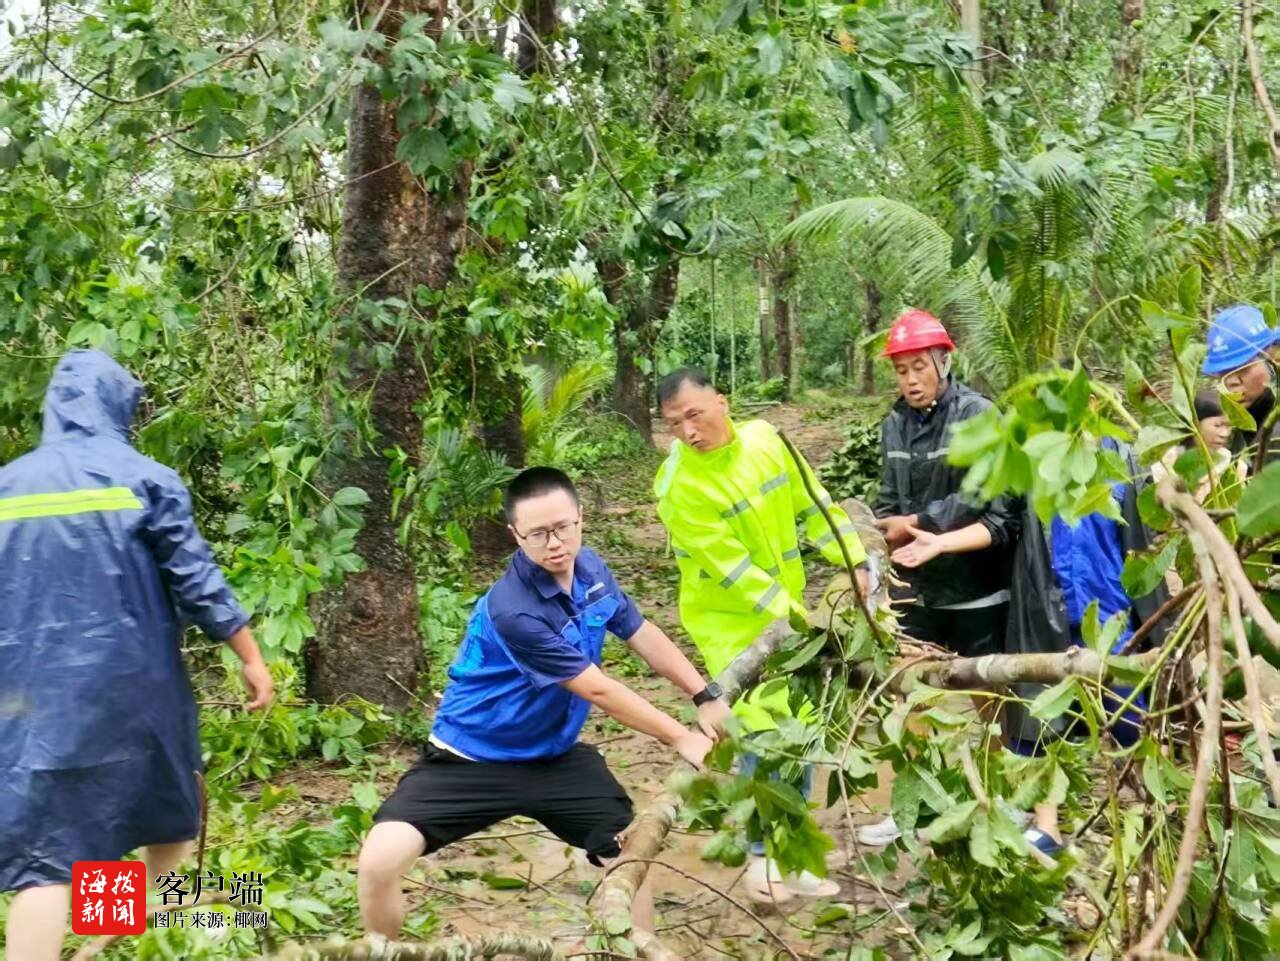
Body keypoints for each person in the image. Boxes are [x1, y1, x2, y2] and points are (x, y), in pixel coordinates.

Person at [357, 467, 727, 939]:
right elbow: (597, 689)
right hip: (469, 760)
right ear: (515, 535)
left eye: (562, 527)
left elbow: (641, 633)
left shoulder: (591, 570)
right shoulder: (514, 609)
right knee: (377, 863)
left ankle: (641, 949)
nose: (554, 543)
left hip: (555, 760)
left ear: (580, 519)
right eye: (538, 534)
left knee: (629, 856)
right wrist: (680, 736)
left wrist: (704, 695)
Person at [0, 350, 273, 961]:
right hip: (133, 687)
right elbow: (196, 580)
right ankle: (114, 940)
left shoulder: (7, 485)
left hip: (26, 696)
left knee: (43, 858)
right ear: (118, 404)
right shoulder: (144, 477)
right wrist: (250, 656)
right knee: (141, 817)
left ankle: (102, 941)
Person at [653, 367, 869, 902]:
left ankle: (792, 851)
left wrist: (856, 560)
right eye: (673, 424)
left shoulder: (768, 440)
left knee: (798, 728)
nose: (687, 432)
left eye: (694, 415)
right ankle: (760, 857)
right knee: (761, 730)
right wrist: (804, 620)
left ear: (722, 403)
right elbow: (735, 571)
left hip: (785, 613)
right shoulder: (679, 487)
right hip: (730, 621)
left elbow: (815, 505)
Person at [863, 310, 1017, 847]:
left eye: (919, 367)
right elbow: (887, 501)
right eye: (901, 369)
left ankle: (999, 801)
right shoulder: (893, 424)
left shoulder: (979, 416)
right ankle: (913, 807)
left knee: (987, 696)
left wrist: (922, 524)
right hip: (914, 585)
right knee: (907, 696)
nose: (909, 379)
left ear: (944, 362)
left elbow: (987, 500)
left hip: (974, 585)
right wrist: (884, 530)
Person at [1202, 303, 1280, 472]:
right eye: (1223, 373)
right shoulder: (1237, 427)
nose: (1231, 382)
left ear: (1273, 357)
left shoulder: (1275, 437)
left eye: (1242, 369)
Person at [1151, 389, 1246, 503]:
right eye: (1217, 425)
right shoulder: (1169, 460)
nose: (1224, 434)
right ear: (1195, 423)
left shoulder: (1234, 464)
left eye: (1228, 427)